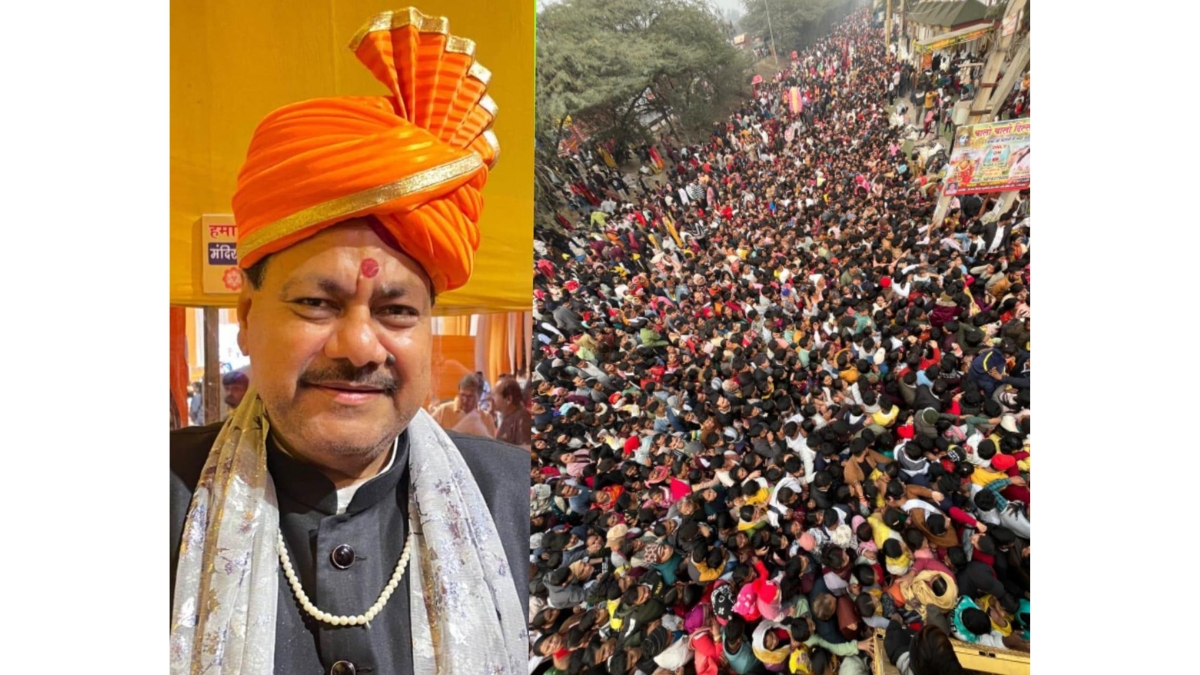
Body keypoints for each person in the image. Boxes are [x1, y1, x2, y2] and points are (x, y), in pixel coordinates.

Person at [169, 10, 527, 674]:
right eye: (316, 302)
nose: (360, 346)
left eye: (397, 310)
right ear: (246, 315)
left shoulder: (515, 497)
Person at [430, 373, 497, 438]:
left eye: (470, 397)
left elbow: (491, 443)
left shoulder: (487, 418)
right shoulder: (443, 411)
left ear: (479, 396)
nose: (465, 400)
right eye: (462, 395)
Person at [492, 375, 532, 448]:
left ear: (508, 399)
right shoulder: (509, 416)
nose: (490, 398)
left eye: (494, 395)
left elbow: (526, 449)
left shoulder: (522, 419)